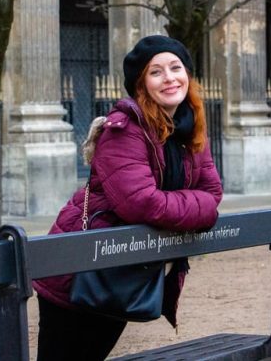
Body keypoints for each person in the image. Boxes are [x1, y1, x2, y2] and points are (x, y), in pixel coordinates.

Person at [33, 35, 223, 360]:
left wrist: (200, 207)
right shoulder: (125, 130)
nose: (169, 78)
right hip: (79, 268)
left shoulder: (189, 131)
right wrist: (200, 209)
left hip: (123, 265)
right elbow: (141, 203)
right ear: (141, 84)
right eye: (156, 72)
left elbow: (213, 194)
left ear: (187, 74)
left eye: (176, 68)